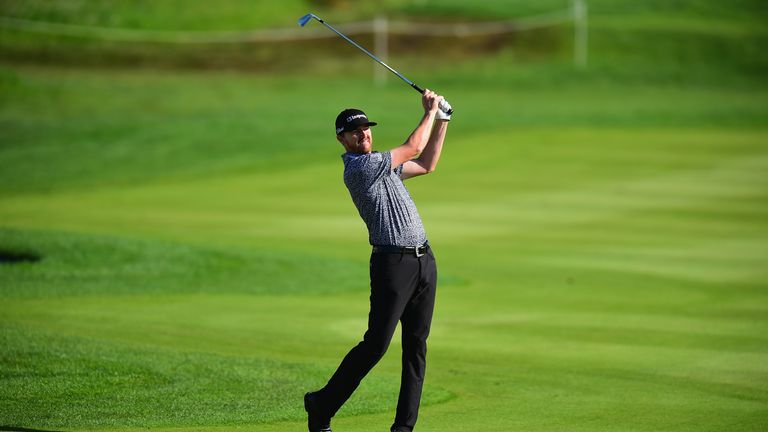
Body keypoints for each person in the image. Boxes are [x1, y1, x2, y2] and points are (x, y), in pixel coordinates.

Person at [304, 90, 450, 432]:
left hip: (423, 261)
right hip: (392, 265)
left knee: (416, 346)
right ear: (341, 139)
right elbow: (413, 148)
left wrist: (443, 120)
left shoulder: (386, 169)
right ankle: (321, 404)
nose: (363, 134)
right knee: (376, 345)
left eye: (366, 128)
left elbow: (427, 164)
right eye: (354, 131)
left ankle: (403, 428)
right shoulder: (360, 168)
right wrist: (429, 111)